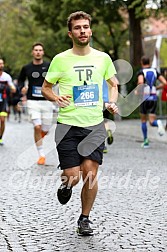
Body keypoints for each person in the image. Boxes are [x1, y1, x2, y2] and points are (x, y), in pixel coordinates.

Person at [41, 11, 119, 236]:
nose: (82, 30)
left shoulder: (102, 58)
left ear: (90, 30)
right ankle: (66, 185)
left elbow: (113, 84)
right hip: (67, 125)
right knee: (73, 175)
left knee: (91, 173)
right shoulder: (60, 59)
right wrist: (56, 97)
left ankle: (84, 218)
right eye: (77, 28)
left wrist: (111, 103)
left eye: (85, 27)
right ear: (70, 33)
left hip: (94, 125)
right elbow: (46, 87)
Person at [18, 43, 53, 165]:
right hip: (32, 101)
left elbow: (58, 79)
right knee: (37, 126)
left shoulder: (49, 66)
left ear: (43, 52)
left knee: (46, 129)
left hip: (47, 101)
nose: (38, 52)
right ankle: (41, 154)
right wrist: (22, 88)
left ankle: (40, 137)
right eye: (36, 50)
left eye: (40, 50)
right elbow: (20, 81)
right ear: (32, 52)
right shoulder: (26, 68)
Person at [137, 56, 167, 148]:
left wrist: (138, 90)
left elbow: (141, 82)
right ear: (149, 62)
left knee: (143, 120)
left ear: (142, 62)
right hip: (153, 97)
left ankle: (146, 141)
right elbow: (165, 83)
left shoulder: (141, 72)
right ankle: (158, 123)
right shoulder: (155, 71)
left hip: (144, 98)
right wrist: (156, 88)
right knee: (152, 121)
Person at [0, 58, 16, 145]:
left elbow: (12, 87)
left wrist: (12, 89)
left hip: (3, 102)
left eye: (2, 64)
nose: (1, 65)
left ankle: (0, 137)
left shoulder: (6, 77)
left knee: (2, 120)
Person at [103, 79, 114, 153]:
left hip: (97, 101)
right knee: (105, 121)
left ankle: (103, 145)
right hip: (106, 101)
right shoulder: (107, 78)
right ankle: (108, 130)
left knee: (98, 124)